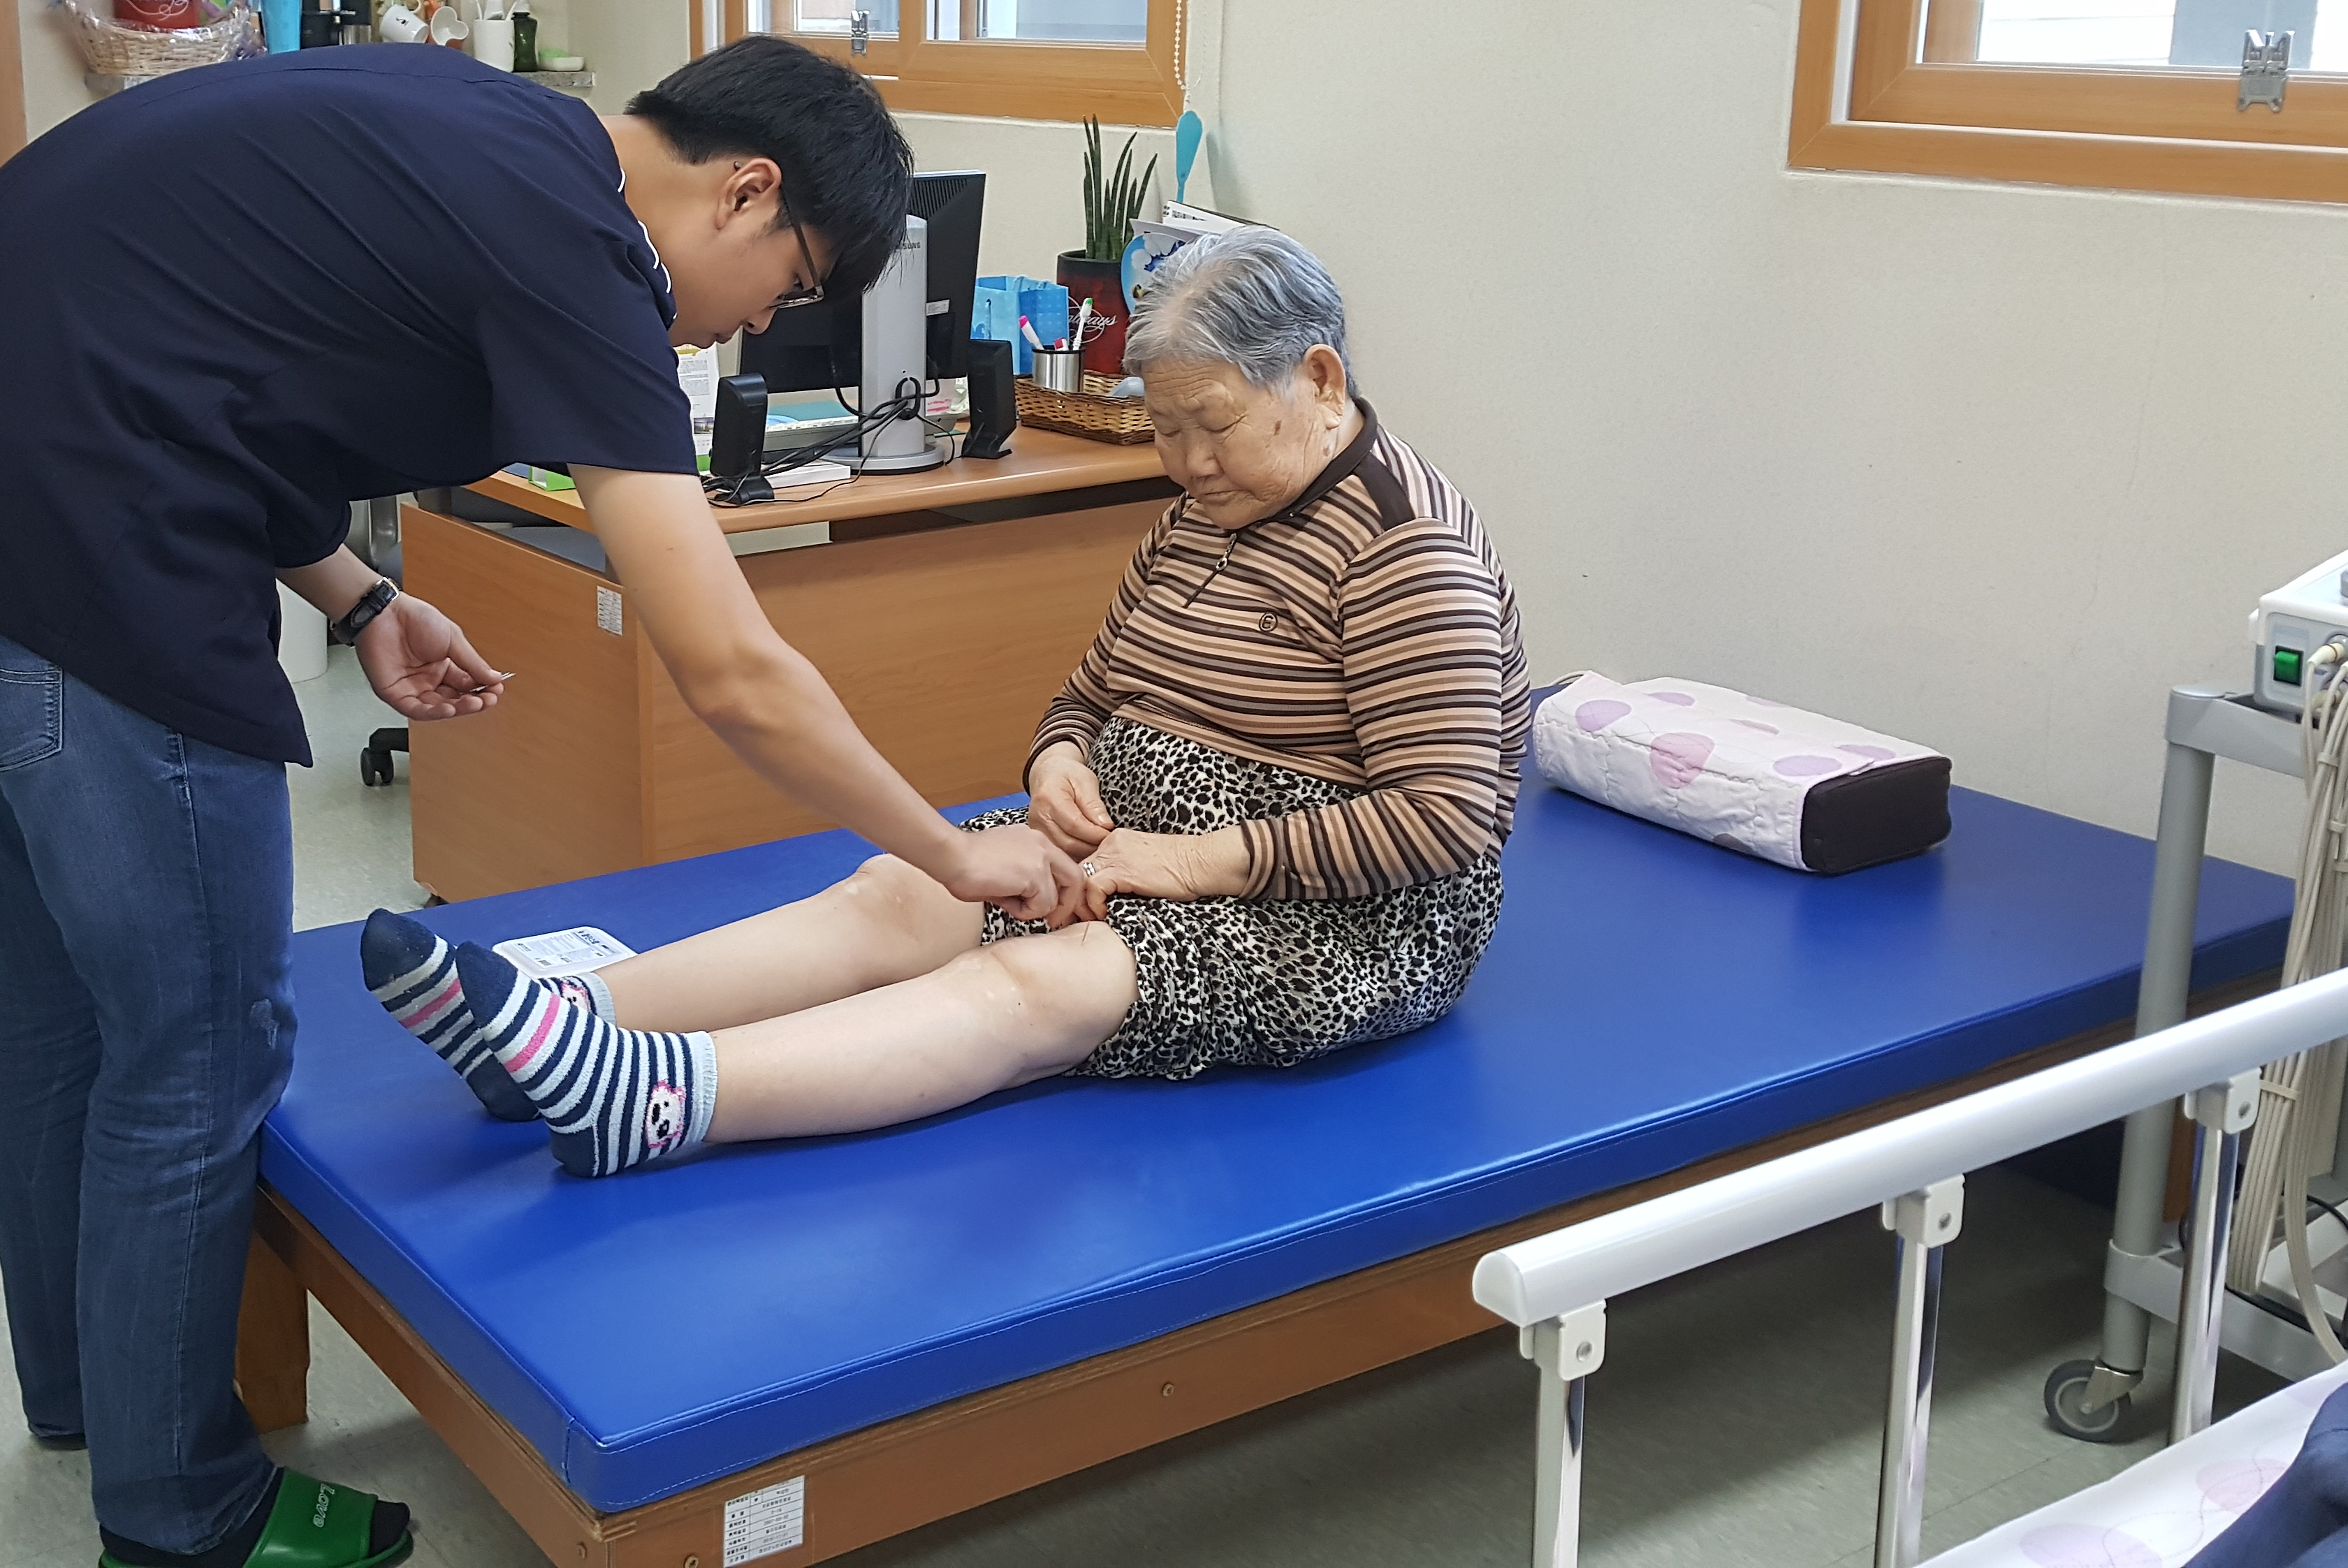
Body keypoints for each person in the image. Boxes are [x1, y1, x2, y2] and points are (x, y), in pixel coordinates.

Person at [0, 37, 1085, 1568]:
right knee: (198, 1041)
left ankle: (87, 1388)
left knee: (51, 985)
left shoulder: (490, 126)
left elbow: (216, 353)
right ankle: (182, 1522)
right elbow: (730, 667)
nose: (762, 323)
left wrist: (357, 596)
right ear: (746, 189)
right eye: (792, 280)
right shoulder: (581, 252)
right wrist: (950, 850)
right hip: (74, 564)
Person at [361, 227, 1528, 1173]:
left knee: (1030, 981)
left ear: (1317, 378)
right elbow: (1087, 694)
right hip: (1132, 846)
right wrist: (1058, 763)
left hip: (1329, 916)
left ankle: (660, 1097)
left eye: (1210, 426)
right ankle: (551, 1026)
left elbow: (1446, 819)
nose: (1184, 463)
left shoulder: (1404, 550)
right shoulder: (1204, 515)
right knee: (898, 889)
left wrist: (1185, 863)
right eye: (1167, 431)